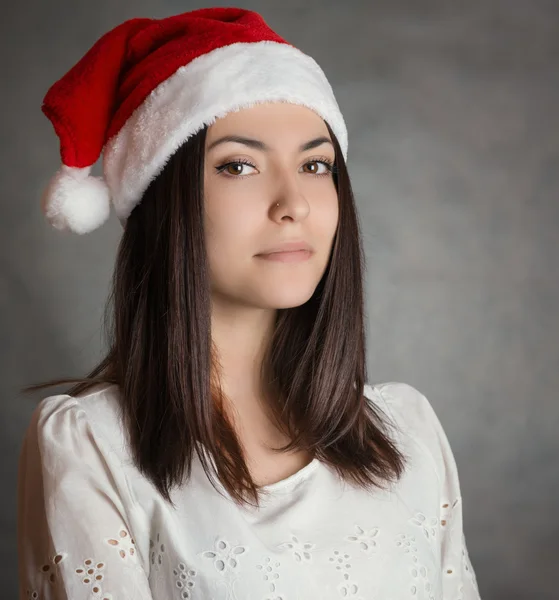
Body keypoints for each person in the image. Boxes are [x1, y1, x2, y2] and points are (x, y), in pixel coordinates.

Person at [17, 7, 481, 599]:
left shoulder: (409, 433)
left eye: (316, 165)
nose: (295, 203)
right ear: (163, 201)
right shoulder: (91, 445)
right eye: (239, 165)